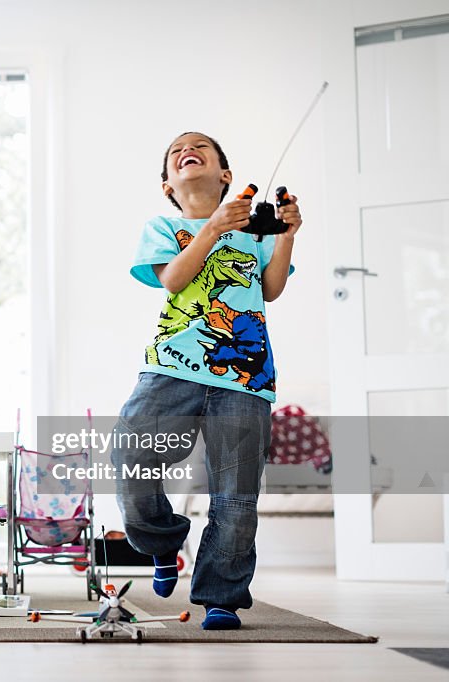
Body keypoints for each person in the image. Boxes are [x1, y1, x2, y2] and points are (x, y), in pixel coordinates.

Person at [110, 132, 301, 630]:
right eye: (176, 152)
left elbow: (272, 289)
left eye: (199, 147)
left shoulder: (258, 232)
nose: (185, 151)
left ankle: (221, 595)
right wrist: (214, 227)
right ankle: (163, 541)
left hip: (246, 376)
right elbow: (174, 279)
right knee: (130, 454)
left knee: (236, 496)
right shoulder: (164, 226)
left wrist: (285, 237)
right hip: (171, 367)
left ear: (226, 175)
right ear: (167, 184)